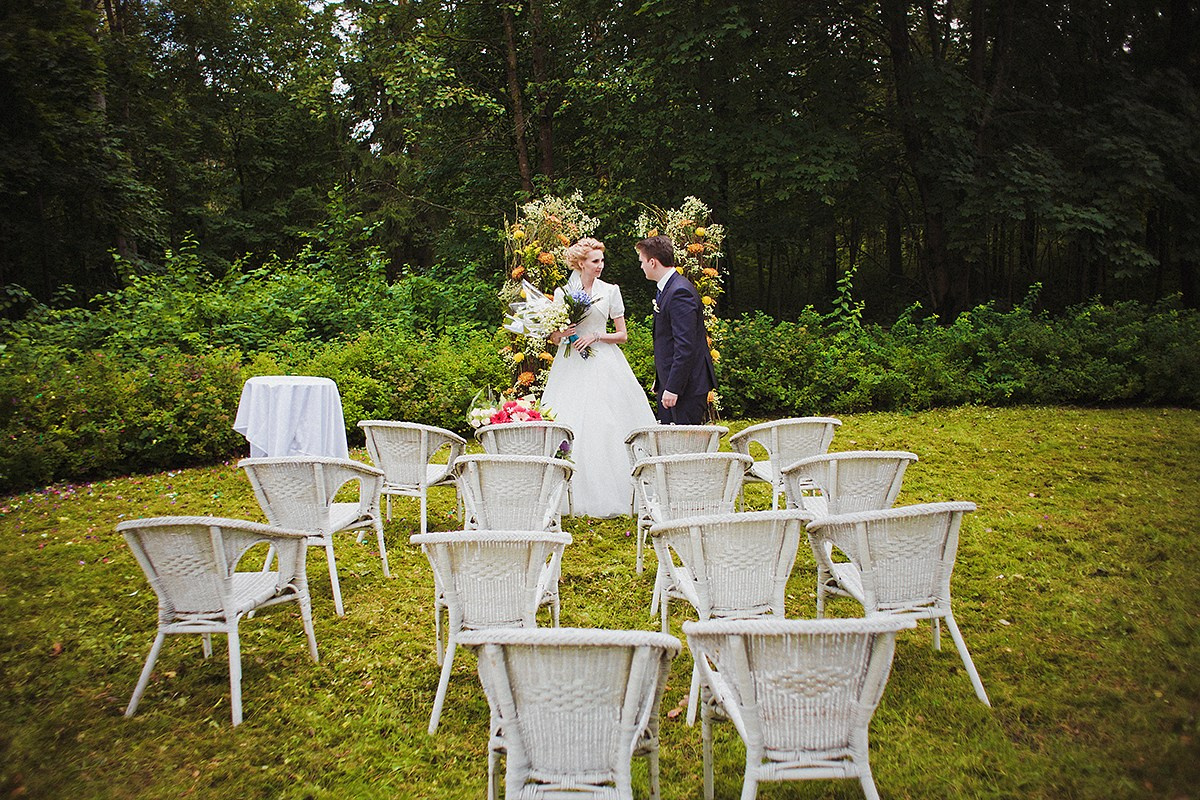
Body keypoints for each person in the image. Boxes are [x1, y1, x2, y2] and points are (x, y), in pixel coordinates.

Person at [541, 237, 657, 518]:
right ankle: (565, 491)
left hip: (604, 361)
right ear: (581, 263)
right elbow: (554, 337)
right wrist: (562, 334)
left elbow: (623, 335)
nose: (600, 266)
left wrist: (596, 336)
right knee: (567, 418)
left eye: (602, 261)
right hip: (570, 364)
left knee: (608, 420)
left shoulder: (610, 291)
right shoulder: (562, 293)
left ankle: (623, 488)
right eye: (595, 261)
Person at [637, 234, 717, 425]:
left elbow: (685, 346)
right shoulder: (666, 288)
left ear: (653, 262)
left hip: (687, 387)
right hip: (674, 383)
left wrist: (673, 387)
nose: (641, 266)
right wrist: (662, 380)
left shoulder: (680, 292)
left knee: (686, 447)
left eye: (642, 261)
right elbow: (667, 341)